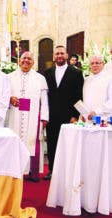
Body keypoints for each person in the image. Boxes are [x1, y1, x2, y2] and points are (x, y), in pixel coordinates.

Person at [7, 51, 49, 182]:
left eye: (29, 59)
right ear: (19, 61)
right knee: (14, 142)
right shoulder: (9, 77)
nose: (26, 61)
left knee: (32, 142)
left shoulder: (40, 78)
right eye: (24, 58)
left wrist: (44, 117)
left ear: (33, 62)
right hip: (14, 114)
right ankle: (14, 171)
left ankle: (33, 172)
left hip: (33, 116)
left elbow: (44, 100)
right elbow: (3, 96)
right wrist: (9, 98)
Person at [44, 45, 84, 180]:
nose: (59, 56)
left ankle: (67, 171)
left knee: (68, 144)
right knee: (52, 143)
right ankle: (52, 170)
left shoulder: (76, 73)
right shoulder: (48, 72)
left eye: (62, 53)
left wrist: (74, 115)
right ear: (54, 56)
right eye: (57, 54)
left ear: (67, 55)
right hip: (52, 115)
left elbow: (79, 96)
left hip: (68, 115)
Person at [81, 55, 112, 121]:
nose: (94, 65)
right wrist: (84, 114)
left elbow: (111, 101)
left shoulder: (109, 79)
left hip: (103, 119)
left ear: (103, 64)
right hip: (88, 120)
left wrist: (96, 112)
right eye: (92, 63)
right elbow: (86, 99)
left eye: (97, 63)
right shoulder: (87, 80)